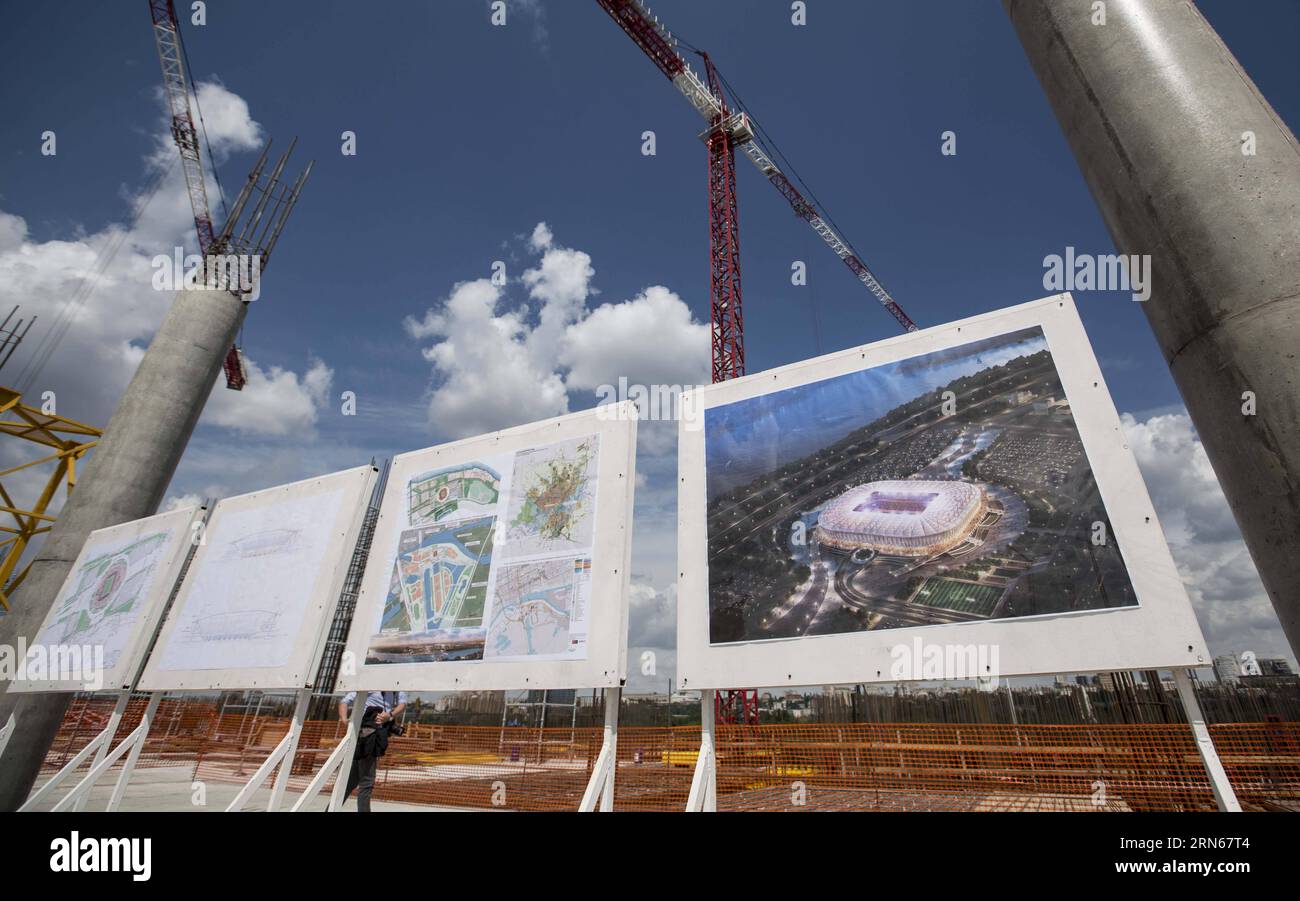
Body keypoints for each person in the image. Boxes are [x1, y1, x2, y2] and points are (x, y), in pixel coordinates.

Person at [337, 690, 406, 812]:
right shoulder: (369, 686)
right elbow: (344, 701)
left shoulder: (395, 689)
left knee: (352, 781)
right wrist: (345, 720)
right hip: (366, 737)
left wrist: (389, 716)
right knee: (367, 782)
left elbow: (403, 704)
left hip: (375, 735)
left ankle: (331, 808)